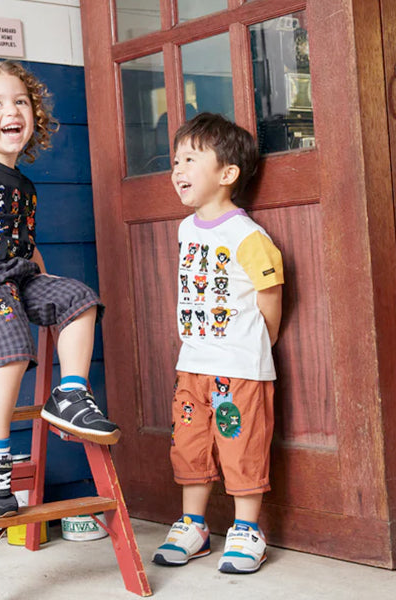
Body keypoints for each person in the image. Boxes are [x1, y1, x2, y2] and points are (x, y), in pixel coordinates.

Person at [0, 60, 120, 519]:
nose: (11, 110)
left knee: (80, 298)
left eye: (20, 102)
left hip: (18, 278)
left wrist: (48, 286)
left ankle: (70, 394)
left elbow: (26, 247)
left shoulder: (25, 186)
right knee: (13, 344)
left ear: (34, 117)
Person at [153, 113, 283, 574]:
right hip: (193, 364)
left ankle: (247, 530)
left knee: (240, 444)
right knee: (189, 443)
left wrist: (261, 342)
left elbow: (270, 292)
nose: (178, 169)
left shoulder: (247, 235)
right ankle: (193, 525)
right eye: (175, 161)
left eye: (191, 159)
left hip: (240, 367)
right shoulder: (186, 229)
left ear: (227, 174)